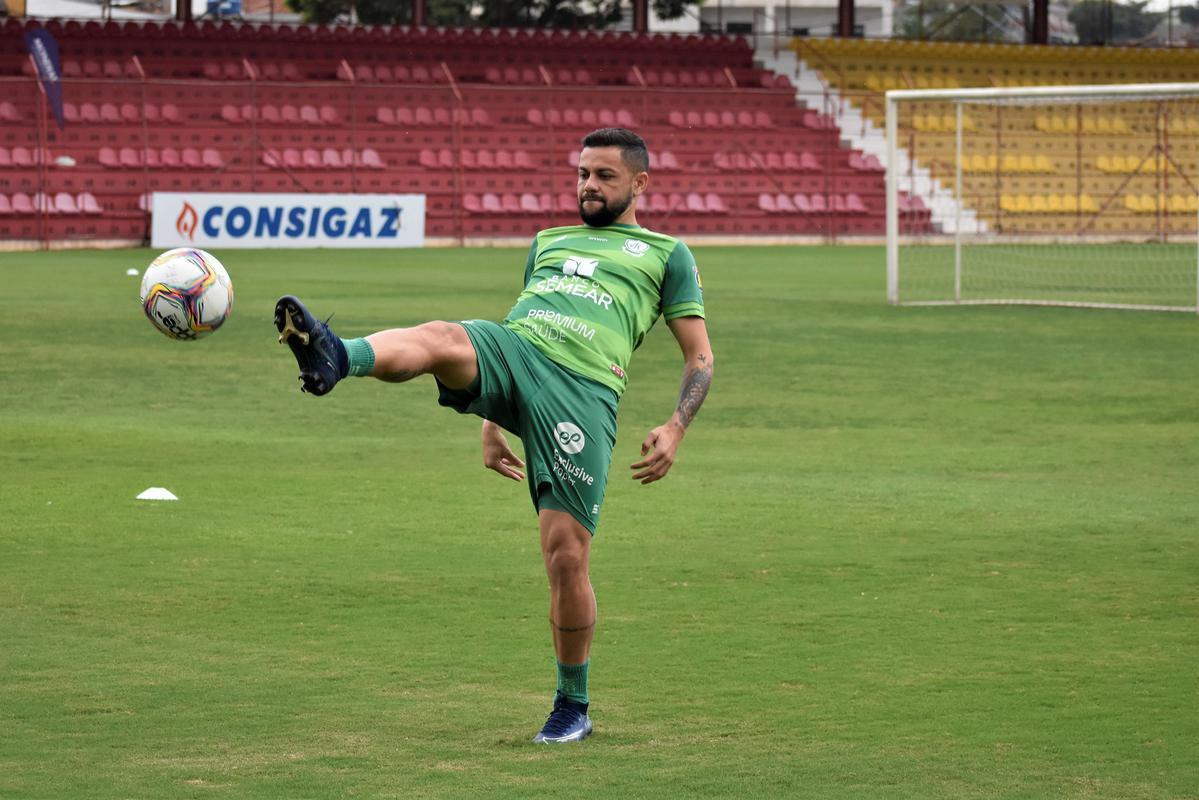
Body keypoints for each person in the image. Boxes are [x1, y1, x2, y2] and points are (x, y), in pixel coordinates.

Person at [274, 127, 713, 744]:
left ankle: (573, 706)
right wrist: (492, 418)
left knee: (566, 556)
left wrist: (676, 425)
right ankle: (335, 356)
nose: (588, 185)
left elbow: (700, 356)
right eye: (583, 173)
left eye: (604, 176)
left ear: (640, 183)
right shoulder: (548, 241)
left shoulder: (667, 255)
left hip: (583, 390)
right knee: (443, 336)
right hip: (517, 350)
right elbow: (520, 315)